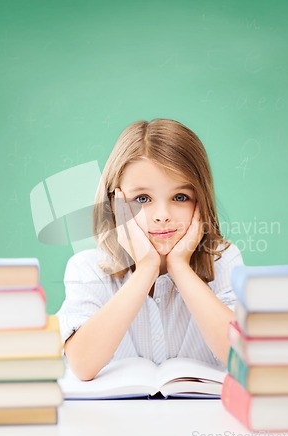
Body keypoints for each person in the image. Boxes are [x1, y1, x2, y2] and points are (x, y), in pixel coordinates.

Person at [57, 118, 243, 381]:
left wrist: (180, 267)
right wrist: (146, 268)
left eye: (180, 197)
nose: (162, 215)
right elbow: (82, 364)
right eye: (142, 199)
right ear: (116, 203)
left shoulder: (223, 260)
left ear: (200, 201)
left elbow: (242, 357)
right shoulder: (88, 267)